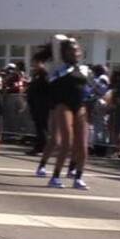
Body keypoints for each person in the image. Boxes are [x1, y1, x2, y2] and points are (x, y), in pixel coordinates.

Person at [37, 37, 90, 189]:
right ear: (64, 53)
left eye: (77, 49)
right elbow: (50, 83)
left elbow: (94, 89)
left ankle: (78, 177)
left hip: (80, 107)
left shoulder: (85, 70)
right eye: (71, 50)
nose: (75, 52)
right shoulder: (58, 69)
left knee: (83, 146)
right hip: (63, 106)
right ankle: (55, 176)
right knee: (66, 143)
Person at [26, 57, 51, 156]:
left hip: (42, 104)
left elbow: (48, 89)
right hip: (35, 104)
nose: (34, 65)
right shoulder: (36, 74)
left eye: (36, 63)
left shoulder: (44, 74)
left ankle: (42, 147)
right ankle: (39, 146)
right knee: (38, 126)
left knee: (42, 126)